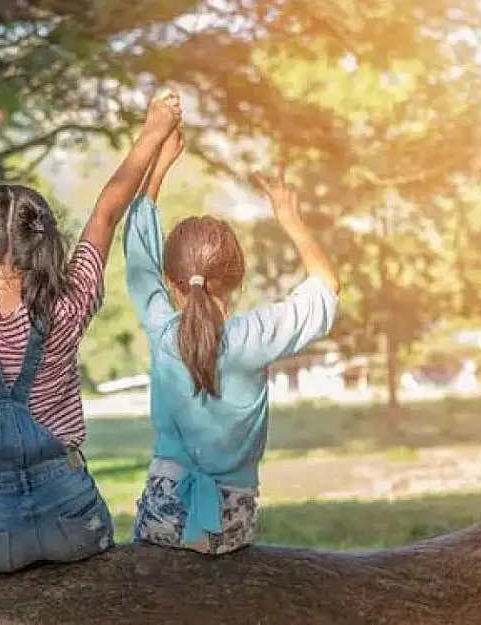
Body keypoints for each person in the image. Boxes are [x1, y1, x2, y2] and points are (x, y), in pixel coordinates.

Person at [0, 90, 183, 573]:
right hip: (72, 519)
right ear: (44, 242)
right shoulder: (70, 301)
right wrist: (154, 131)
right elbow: (107, 210)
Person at [125, 128, 341, 554]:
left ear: (172, 283)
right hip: (232, 521)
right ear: (237, 280)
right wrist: (289, 218)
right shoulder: (255, 337)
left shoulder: (162, 330)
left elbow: (138, 260)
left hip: (164, 513)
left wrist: (158, 170)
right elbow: (327, 288)